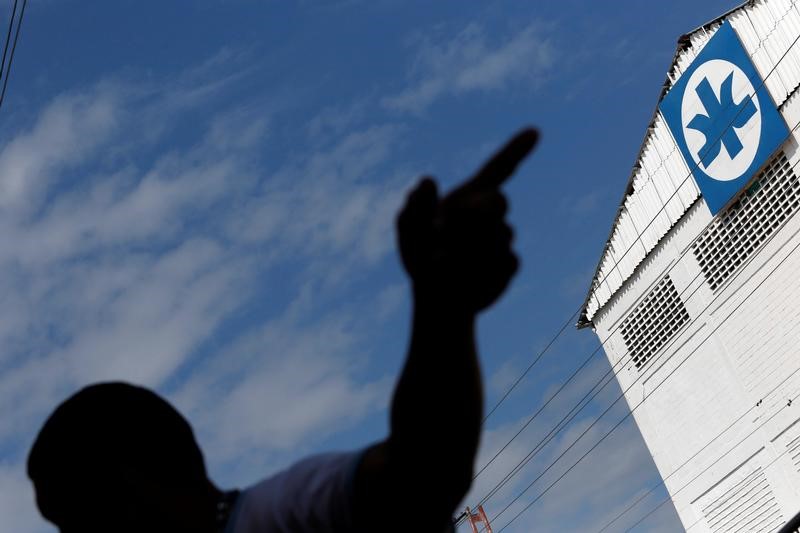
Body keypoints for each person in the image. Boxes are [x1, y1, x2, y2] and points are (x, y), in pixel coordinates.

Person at [27, 128, 539, 533]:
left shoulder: (285, 511)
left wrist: (442, 306)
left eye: (73, 521)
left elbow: (422, 478)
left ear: (129, 485)